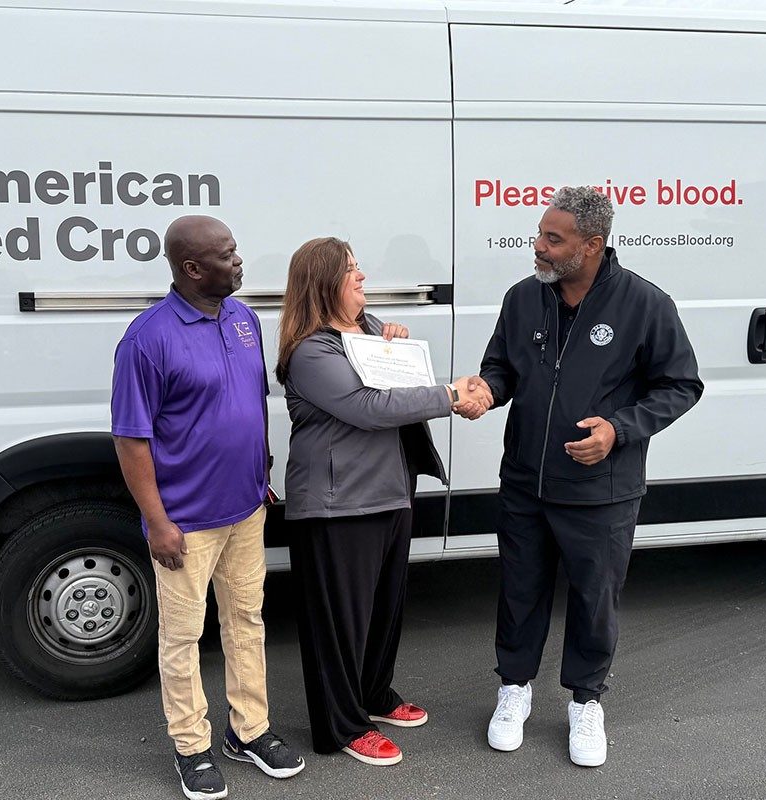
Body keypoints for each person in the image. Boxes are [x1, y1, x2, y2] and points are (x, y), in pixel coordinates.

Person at [466, 187, 703, 767]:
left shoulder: (644, 304)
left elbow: (681, 385)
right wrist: (487, 390)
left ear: (591, 245)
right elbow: (502, 367)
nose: (538, 246)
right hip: (526, 480)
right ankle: (514, 689)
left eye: (554, 239)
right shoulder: (523, 299)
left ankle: (586, 700)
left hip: (601, 491)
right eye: (540, 234)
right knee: (519, 590)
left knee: (595, 599)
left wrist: (618, 430)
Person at [276, 237, 491, 766]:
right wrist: (451, 394)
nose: (363, 277)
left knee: (381, 613)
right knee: (340, 624)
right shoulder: (310, 350)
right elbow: (368, 406)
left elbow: (397, 386)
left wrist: (393, 346)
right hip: (336, 505)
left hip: (390, 492)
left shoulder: (367, 329)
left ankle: (373, 696)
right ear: (325, 282)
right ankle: (343, 727)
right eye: (351, 271)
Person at [111, 215, 304, 800]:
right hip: (185, 524)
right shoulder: (147, 339)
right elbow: (131, 438)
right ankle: (191, 746)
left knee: (247, 623)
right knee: (183, 636)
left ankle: (248, 731)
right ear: (193, 268)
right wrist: (157, 521)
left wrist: (261, 473)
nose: (239, 260)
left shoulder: (244, 320)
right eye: (228, 254)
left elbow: (250, 404)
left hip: (246, 509)